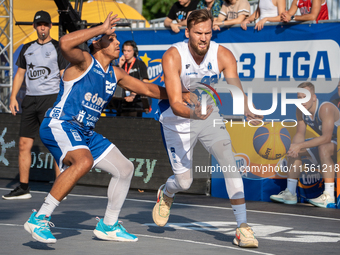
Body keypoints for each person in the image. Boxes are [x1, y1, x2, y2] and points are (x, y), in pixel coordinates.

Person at [23, 13, 188, 244]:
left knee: (125, 169)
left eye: (117, 39)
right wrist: (101, 27)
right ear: (96, 42)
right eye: (111, 39)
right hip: (60, 124)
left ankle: (108, 225)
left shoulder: (115, 73)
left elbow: (148, 90)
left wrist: (180, 95)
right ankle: (40, 218)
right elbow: (64, 43)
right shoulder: (83, 61)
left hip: (85, 132)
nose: (118, 42)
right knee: (84, 161)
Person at [152, 9, 261, 248]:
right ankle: (166, 194)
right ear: (187, 32)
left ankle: (242, 227)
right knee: (184, 182)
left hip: (208, 115)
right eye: (198, 33)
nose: (204, 38)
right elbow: (175, 103)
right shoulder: (173, 55)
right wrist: (194, 114)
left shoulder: (223, 55)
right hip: (178, 119)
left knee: (229, 161)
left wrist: (246, 108)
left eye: (208, 32)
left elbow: (235, 87)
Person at [2, 10, 68, 200]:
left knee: (55, 144)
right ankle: (23, 188)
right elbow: (20, 74)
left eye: (45, 25)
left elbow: (64, 74)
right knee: (24, 144)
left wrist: (64, 99)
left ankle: (59, 188)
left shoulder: (57, 47)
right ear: (34, 26)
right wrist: (13, 97)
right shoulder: (26, 48)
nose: (42, 28)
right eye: (39, 24)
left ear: (50, 27)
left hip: (51, 98)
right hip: (30, 99)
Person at [270, 82, 338, 208]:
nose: (302, 101)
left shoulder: (325, 108)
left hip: (336, 141)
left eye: (305, 97)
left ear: (314, 97)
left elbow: (327, 137)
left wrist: (299, 145)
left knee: (323, 147)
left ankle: (329, 196)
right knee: (295, 149)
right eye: (299, 97)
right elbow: (300, 133)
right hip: (332, 142)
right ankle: (290, 193)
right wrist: (295, 147)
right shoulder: (300, 110)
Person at [116, 40, 149, 117]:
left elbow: (145, 82)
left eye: (129, 51)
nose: (126, 53)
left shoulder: (140, 64)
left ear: (134, 51)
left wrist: (133, 94)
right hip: (122, 102)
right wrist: (119, 66)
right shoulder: (122, 64)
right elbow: (115, 79)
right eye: (124, 50)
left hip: (136, 103)